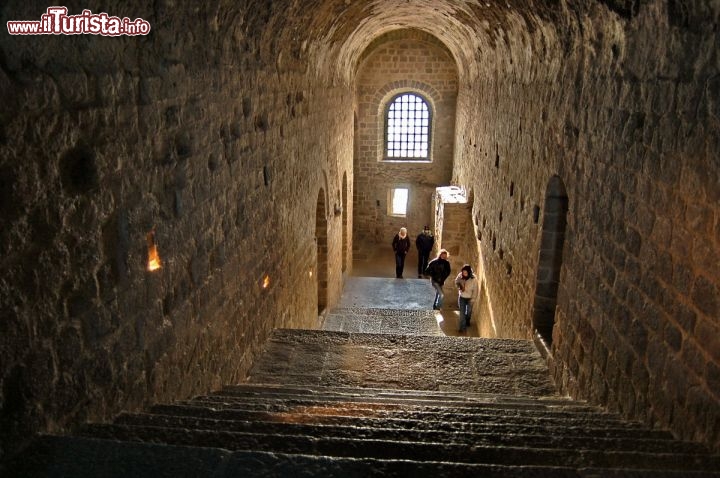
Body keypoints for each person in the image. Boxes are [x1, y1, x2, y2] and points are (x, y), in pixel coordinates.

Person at [454, 264, 479, 333]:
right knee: (462, 313)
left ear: (469, 272)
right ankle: (462, 328)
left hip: (470, 298)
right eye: (463, 273)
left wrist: (473, 299)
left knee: (468, 312)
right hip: (462, 297)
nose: (464, 274)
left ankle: (467, 321)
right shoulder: (460, 276)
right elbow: (456, 282)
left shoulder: (474, 279)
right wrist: (459, 286)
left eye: (466, 273)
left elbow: (475, 290)